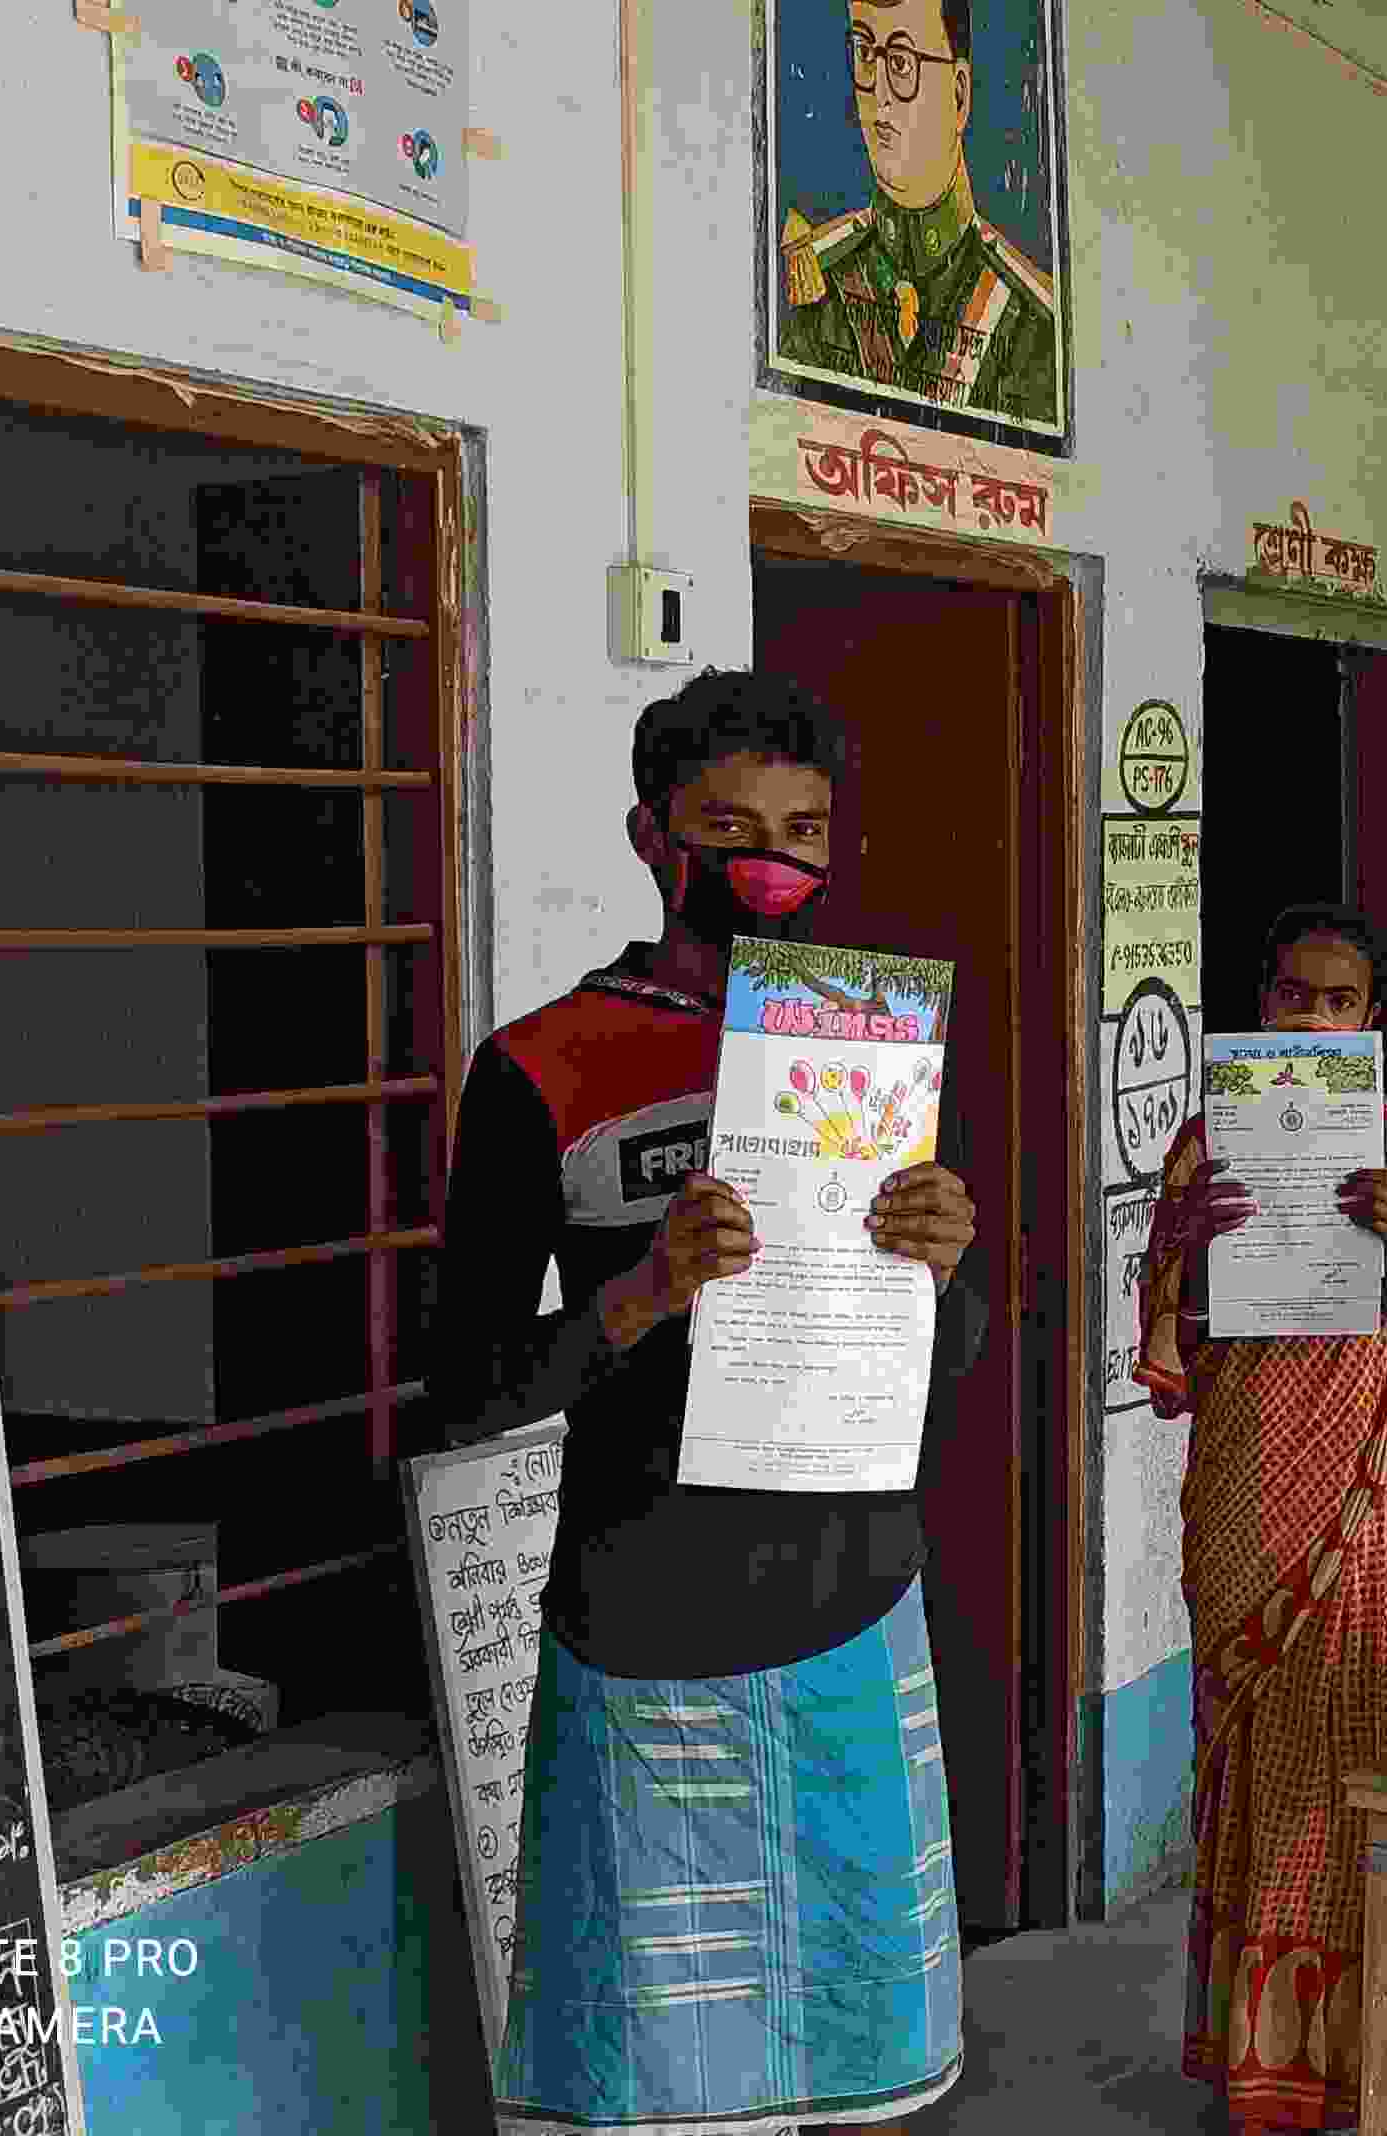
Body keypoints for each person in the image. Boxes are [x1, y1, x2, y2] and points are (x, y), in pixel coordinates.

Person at [432, 672, 989, 2136]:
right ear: (651, 835)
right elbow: (466, 1394)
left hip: (856, 1616)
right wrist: (641, 1293)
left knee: (872, 2086)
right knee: (658, 2101)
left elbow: (948, 1359)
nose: (772, 866)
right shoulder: (540, 1067)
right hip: (646, 1637)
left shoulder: (874, 1049)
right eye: (731, 828)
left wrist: (949, 1268)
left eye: (803, 833)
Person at [1134, 903, 1387, 2132]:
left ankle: (1374, 2050)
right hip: (1250, 1501)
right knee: (1265, 1774)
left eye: (1338, 1001)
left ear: (1374, 1022)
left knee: (1376, 1761)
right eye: (1291, 995)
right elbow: (1172, 1360)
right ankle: (1271, 2064)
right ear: (1260, 1005)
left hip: (1384, 1512)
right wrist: (1189, 1255)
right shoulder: (1207, 1147)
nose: (1312, 1019)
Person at [776, 0, 1062, 430]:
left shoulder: (1035, 324)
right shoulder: (813, 282)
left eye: (901, 62)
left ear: (959, 95)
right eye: (864, 52)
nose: (879, 94)